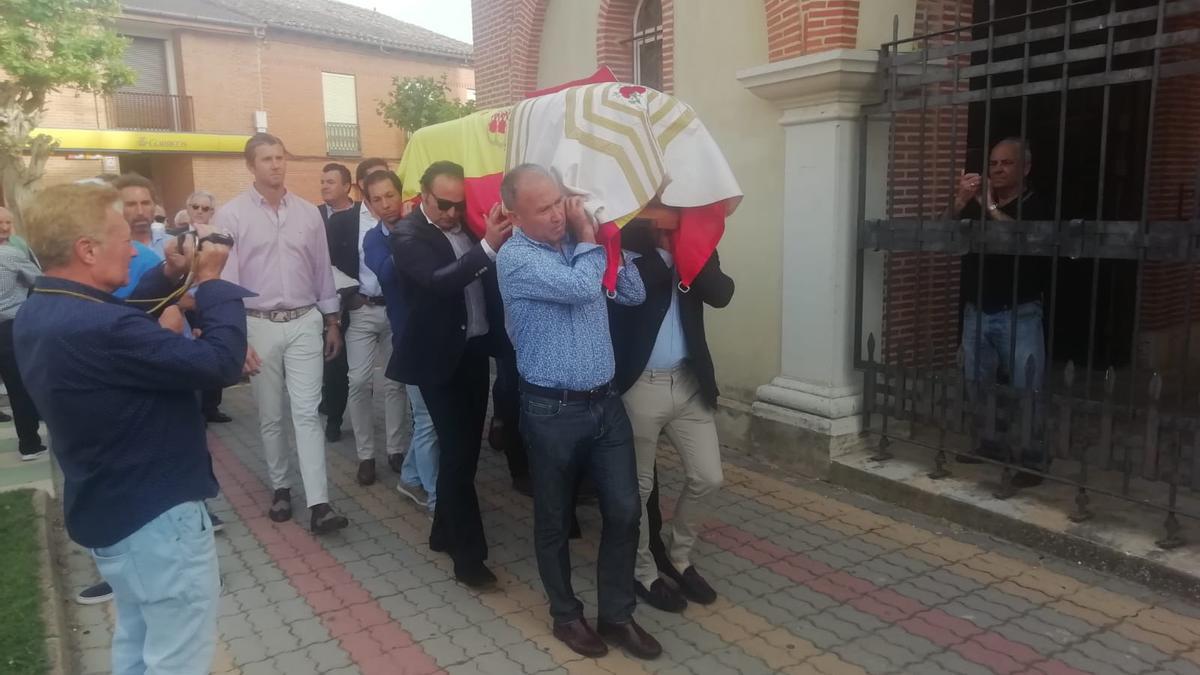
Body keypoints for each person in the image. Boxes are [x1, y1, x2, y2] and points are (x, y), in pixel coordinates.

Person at [15, 181, 248, 675]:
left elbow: (121, 317)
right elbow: (220, 364)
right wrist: (210, 282)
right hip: (158, 521)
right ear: (87, 249)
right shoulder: (100, 329)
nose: (132, 246)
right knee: (177, 659)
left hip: (115, 511)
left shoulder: (44, 306)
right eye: (122, 236)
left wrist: (169, 275)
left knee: (138, 643)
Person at [496, 164, 660, 660]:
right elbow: (579, 288)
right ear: (516, 215)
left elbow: (633, 292)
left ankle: (616, 614)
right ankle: (566, 615)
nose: (555, 215)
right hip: (551, 410)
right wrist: (590, 238)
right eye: (542, 208)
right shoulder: (515, 258)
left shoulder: (580, 248)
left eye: (558, 202)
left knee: (625, 509)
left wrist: (606, 240)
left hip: (605, 404)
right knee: (553, 518)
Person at [214, 132, 349, 533]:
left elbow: (322, 270)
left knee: (307, 412)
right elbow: (226, 280)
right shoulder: (232, 216)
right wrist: (235, 337)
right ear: (250, 166)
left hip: (305, 319)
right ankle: (281, 487)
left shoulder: (309, 213)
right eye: (267, 159)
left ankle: (320, 503)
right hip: (257, 323)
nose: (276, 164)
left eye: (280, 156)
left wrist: (332, 320)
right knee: (271, 413)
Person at [388, 161, 510, 587]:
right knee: (457, 455)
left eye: (459, 205)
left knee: (466, 454)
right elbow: (438, 282)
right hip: (434, 361)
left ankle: (443, 532)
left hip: (473, 352)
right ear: (423, 195)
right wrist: (489, 248)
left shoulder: (472, 228)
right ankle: (469, 557)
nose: (452, 213)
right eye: (443, 204)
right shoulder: (407, 235)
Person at [609, 221, 733, 613]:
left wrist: (693, 253)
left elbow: (722, 294)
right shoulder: (627, 242)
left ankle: (678, 557)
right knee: (640, 490)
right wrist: (666, 250)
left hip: (688, 381)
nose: (673, 216)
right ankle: (643, 569)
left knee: (708, 476)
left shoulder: (696, 245)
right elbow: (635, 293)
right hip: (641, 384)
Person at [953, 137, 1050, 486]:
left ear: (1025, 168)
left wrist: (990, 208)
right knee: (977, 382)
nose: (996, 169)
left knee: (1028, 387)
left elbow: (1022, 241)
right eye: (992, 163)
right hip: (977, 308)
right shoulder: (976, 203)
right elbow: (946, 236)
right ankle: (989, 443)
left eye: (1005, 163)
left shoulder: (1036, 204)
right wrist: (962, 200)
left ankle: (1031, 458)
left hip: (1019, 311)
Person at [360, 171, 440, 517]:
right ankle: (437, 497)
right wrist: (410, 238)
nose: (385, 205)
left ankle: (409, 476)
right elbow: (388, 272)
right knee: (427, 419)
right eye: (376, 199)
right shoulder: (373, 240)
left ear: (401, 194)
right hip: (407, 336)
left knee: (430, 416)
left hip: (437, 330)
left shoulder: (421, 226)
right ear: (368, 204)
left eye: (390, 196)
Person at [326, 158, 405, 483]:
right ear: (363, 190)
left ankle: (396, 449)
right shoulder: (343, 222)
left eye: (388, 191)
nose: (383, 200)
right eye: (375, 191)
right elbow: (326, 266)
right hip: (361, 309)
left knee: (395, 382)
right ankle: (365, 455)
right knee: (358, 381)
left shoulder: (406, 221)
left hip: (395, 311)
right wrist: (348, 295)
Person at [317, 162, 357, 442]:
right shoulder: (313, 215)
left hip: (357, 300)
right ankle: (333, 416)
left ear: (347, 186)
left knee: (354, 369)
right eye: (322, 182)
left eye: (330, 182)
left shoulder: (362, 216)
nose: (324, 187)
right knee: (332, 362)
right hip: (325, 300)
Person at [0, 213, 43, 459]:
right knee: (18, 387)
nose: (6, 228)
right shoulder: (12, 254)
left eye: (8, 223)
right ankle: (29, 444)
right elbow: (41, 280)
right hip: (9, 327)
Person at [112, 174, 169, 298]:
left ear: (155, 206)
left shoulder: (176, 246)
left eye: (145, 203)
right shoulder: (108, 253)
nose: (140, 212)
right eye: (131, 204)